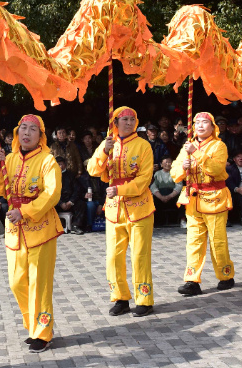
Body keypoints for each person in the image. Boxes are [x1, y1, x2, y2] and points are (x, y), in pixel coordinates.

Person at [0, 114, 62, 351]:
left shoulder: (47, 160)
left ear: (41, 137)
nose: (26, 133)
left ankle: (42, 331)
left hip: (40, 228)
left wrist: (26, 211)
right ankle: (32, 324)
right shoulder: (8, 159)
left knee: (39, 283)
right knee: (16, 281)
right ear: (16, 133)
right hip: (15, 230)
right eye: (23, 128)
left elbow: (52, 193)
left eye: (32, 129)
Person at [87, 106, 156, 317]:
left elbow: (144, 179)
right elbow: (93, 169)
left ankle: (144, 299)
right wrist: (103, 151)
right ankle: (120, 297)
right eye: (124, 119)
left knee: (139, 255)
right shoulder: (108, 144)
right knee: (113, 257)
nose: (128, 122)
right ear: (115, 123)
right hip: (114, 209)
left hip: (139, 208)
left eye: (132, 119)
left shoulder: (144, 146)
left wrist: (120, 189)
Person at [171, 111, 234, 296]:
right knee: (193, 242)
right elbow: (175, 172)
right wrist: (183, 167)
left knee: (217, 240)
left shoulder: (218, 146)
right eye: (197, 122)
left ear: (212, 127)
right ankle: (192, 280)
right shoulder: (187, 146)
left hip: (214, 197)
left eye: (205, 122)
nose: (200, 125)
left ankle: (225, 275)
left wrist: (196, 154)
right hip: (193, 198)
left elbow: (216, 169)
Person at [54, 155, 88, 234]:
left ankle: (75, 225)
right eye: (58, 164)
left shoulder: (70, 175)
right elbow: (51, 192)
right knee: (49, 206)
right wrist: (61, 203)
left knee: (81, 204)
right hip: (58, 202)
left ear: (65, 164)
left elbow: (77, 190)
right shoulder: (52, 176)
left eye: (61, 164)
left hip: (70, 201)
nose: (60, 166)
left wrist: (70, 202)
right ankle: (55, 227)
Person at [150, 156, 181, 226]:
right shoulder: (157, 174)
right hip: (160, 196)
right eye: (166, 162)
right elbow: (153, 186)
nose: (168, 164)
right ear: (161, 164)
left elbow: (179, 186)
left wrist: (169, 196)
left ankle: (180, 220)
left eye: (169, 162)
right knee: (152, 200)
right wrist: (161, 197)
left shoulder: (176, 173)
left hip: (173, 196)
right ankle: (157, 222)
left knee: (182, 198)